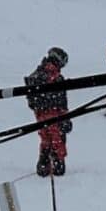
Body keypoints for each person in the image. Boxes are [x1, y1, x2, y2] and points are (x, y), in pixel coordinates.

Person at [25, 46, 72, 177]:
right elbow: (61, 101)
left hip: (40, 114)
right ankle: (57, 164)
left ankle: (44, 163)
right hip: (54, 113)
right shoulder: (54, 76)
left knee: (46, 138)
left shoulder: (37, 73)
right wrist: (65, 116)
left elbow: (31, 98)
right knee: (57, 139)